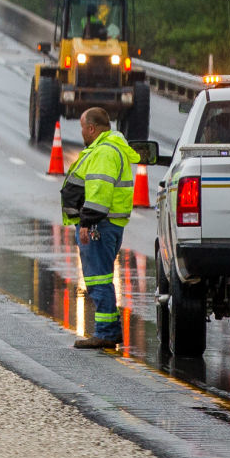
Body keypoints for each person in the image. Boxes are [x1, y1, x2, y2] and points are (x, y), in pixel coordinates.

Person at [62, 107, 140, 350]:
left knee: (98, 279)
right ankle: (110, 330)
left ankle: (105, 332)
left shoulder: (105, 152)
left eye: (83, 128)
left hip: (100, 224)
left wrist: (87, 222)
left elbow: (99, 193)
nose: (82, 132)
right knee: (102, 277)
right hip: (105, 224)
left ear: (92, 128)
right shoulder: (108, 147)